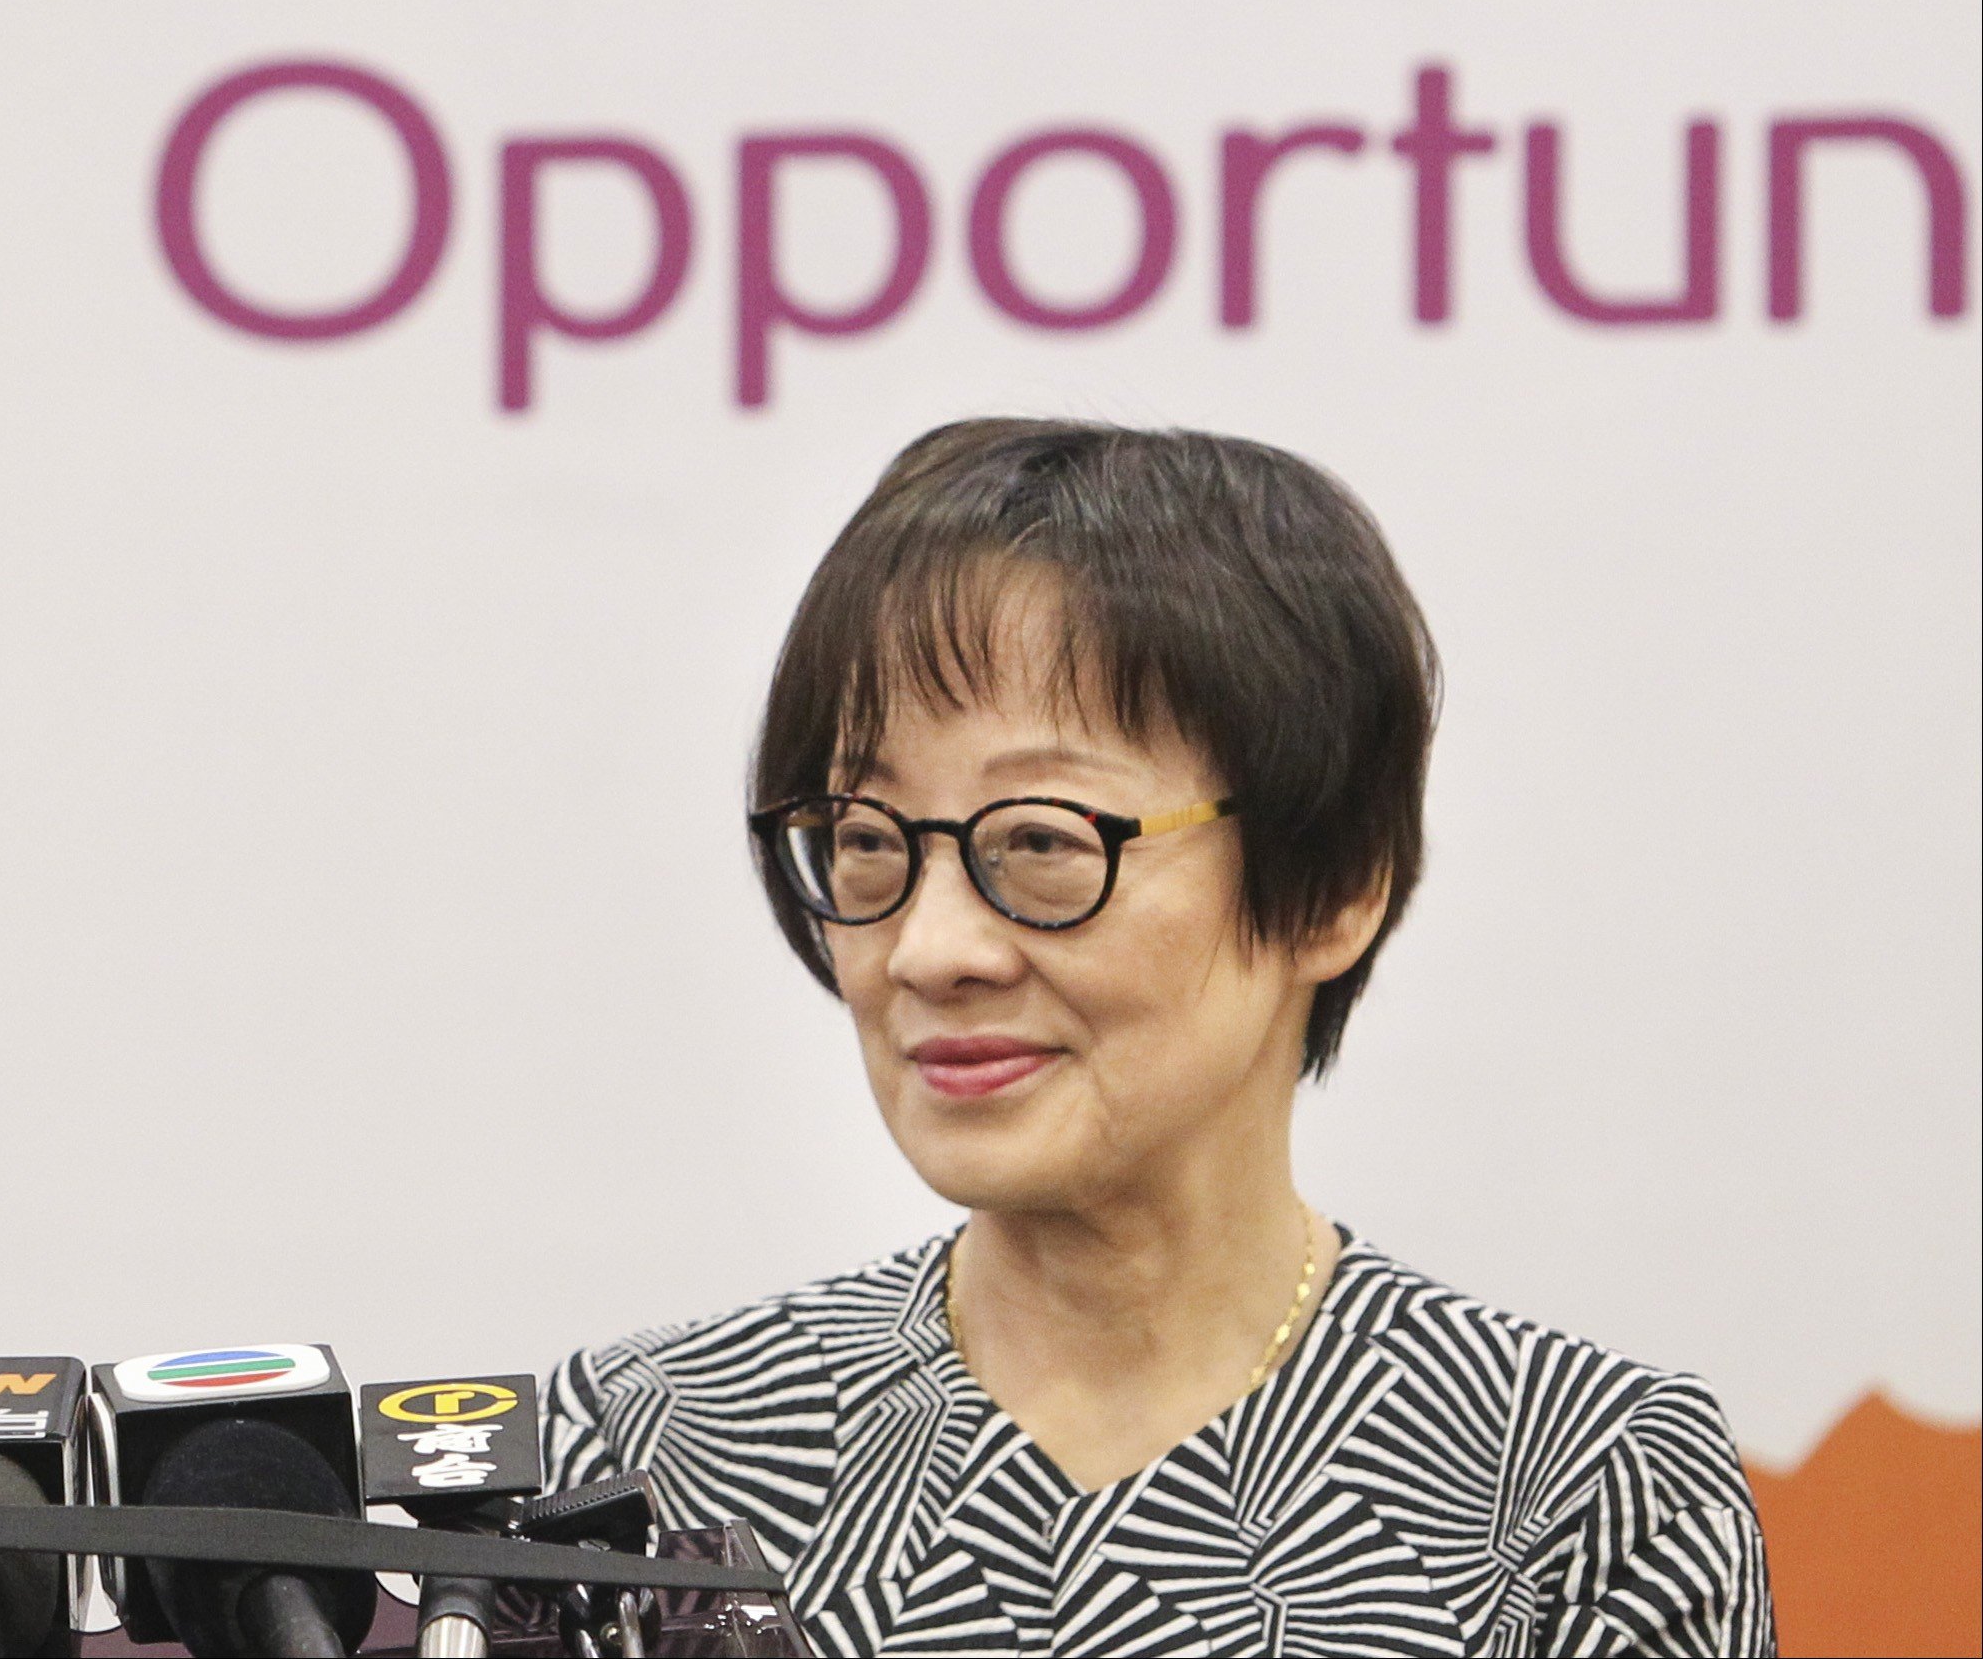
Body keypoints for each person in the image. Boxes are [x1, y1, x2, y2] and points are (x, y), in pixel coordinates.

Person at [554, 419, 1770, 1657]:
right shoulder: (644, 1462)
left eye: (1039, 842)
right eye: (867, 838)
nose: (929, 949)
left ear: (1337, 884)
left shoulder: (1580, 1498)